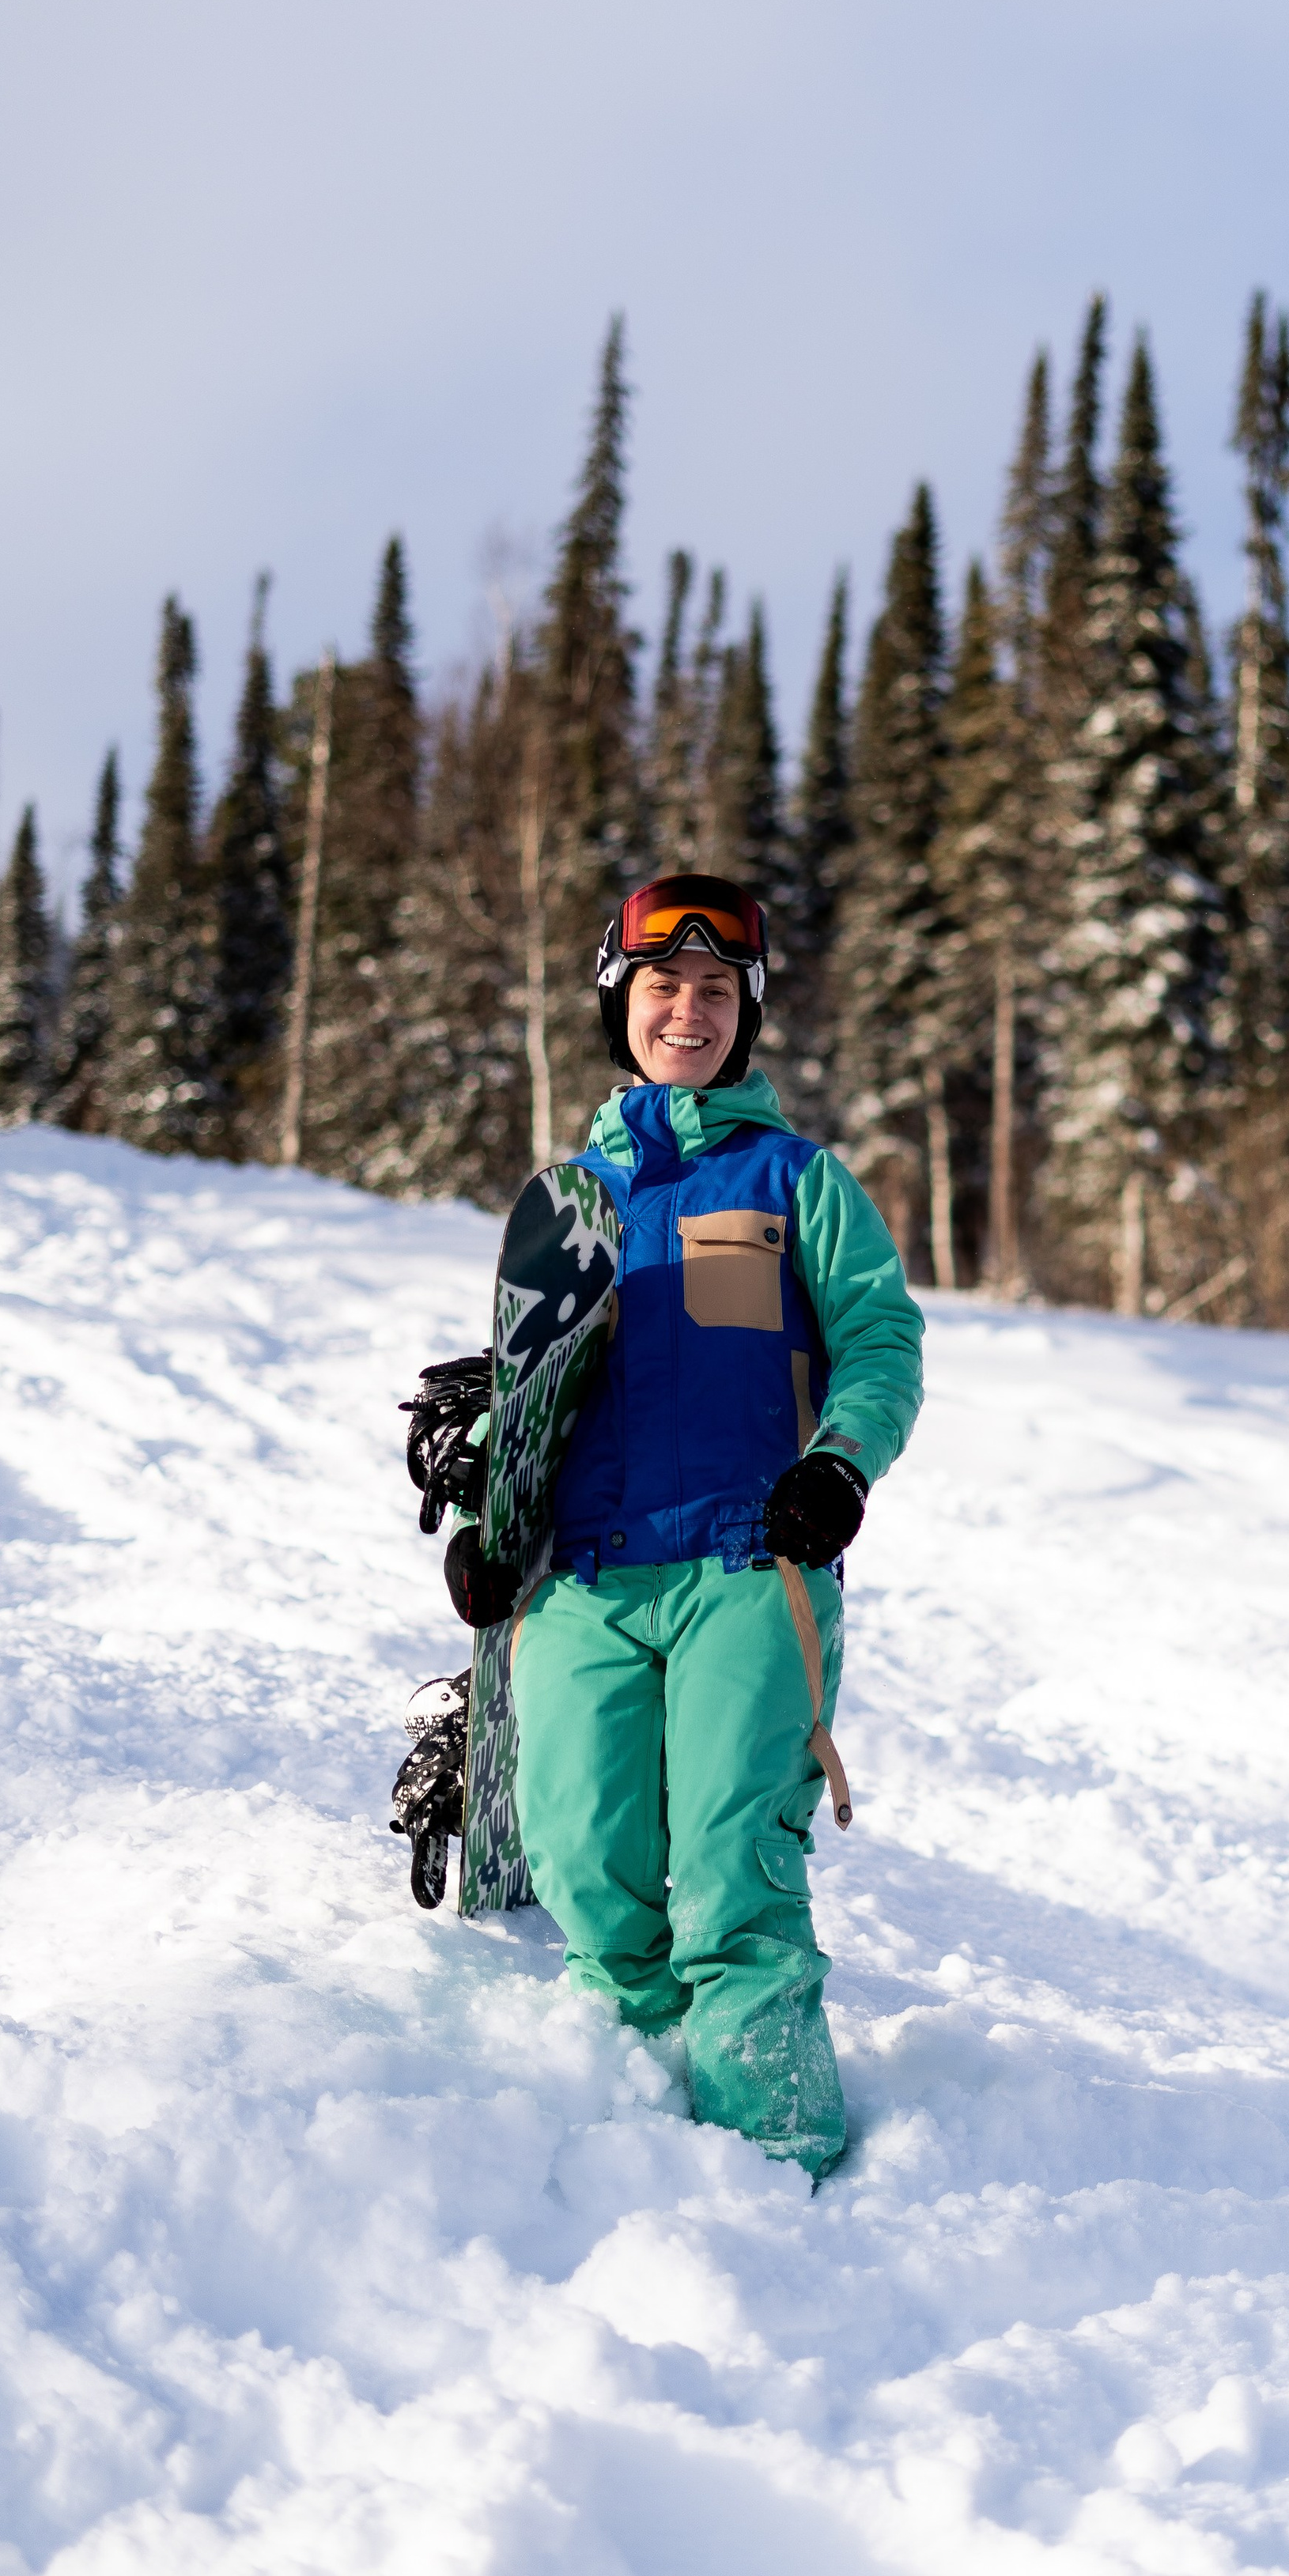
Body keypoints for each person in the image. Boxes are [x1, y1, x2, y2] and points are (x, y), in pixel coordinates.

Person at [508, 871, 924, 2179]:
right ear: (617, 1002)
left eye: (714, 990)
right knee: (583, 1859)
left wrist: (841, 1465)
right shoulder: (569, 1197)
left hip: (755, 1569)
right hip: (584, 1581)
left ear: (746, 1016)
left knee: (731, 1872)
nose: (685, 1009)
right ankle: (621, 2143)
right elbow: (530, 1392)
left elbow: (880, 1340)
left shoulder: (798, 1180)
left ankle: (778, 2158)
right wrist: (488, 1525)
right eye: (660, 986)